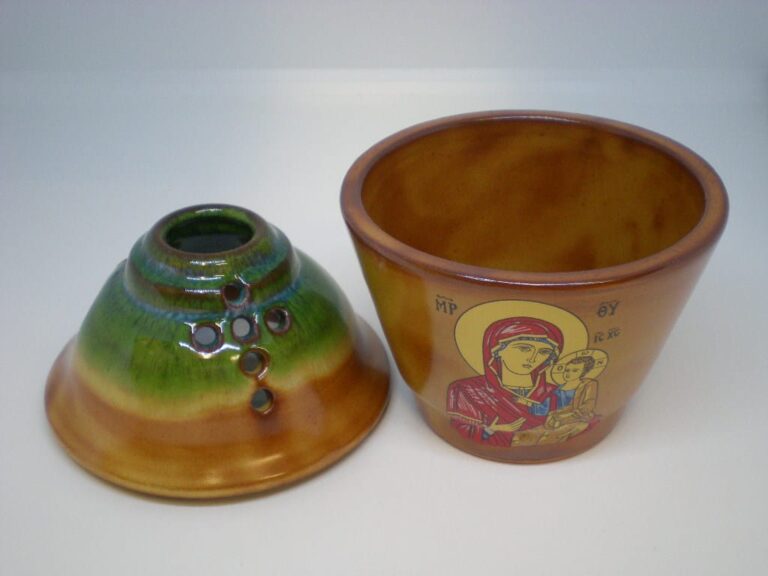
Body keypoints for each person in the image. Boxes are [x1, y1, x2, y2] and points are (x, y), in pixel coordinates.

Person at [446, 316, 563, 446]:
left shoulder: (553, 393)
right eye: (524, 348)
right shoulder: (467, 389)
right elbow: (460, 430)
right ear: (497, 351)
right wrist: (490, 430)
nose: (533, 358)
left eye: (544, 352)